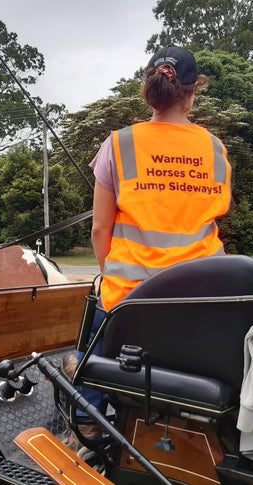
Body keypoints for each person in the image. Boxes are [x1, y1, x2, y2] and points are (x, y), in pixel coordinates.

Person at [63, 45, 232, 451]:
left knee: (92, 330)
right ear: (193, 93)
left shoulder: (118, 145)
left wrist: (113, 275)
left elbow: (100, 230)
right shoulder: (215, 149)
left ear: (148, 91)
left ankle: (89, 421)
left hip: (130, 302)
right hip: (206, 304)